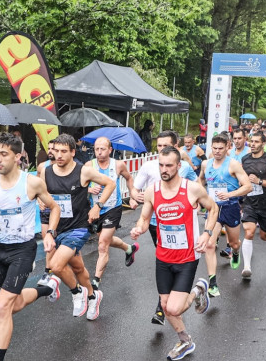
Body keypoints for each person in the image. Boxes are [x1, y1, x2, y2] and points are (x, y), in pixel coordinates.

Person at [0, 133, 59, 361]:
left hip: (23, 250)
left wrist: (50, 233)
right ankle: (47, 289)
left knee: (2, 306)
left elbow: (54, 208)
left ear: (18, 156)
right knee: (15, 303)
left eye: (4, 154)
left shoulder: (31, 183)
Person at [130, 146, 216, 361]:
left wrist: (206, 233)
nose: (164, 169)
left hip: (187, 257)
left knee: (174, 308)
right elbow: (144, 217)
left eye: (169, 165)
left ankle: (198, 289)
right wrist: (139, 227)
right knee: (166, 306)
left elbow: (213, 208)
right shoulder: (152, 191)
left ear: (179, 166)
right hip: (163, 257)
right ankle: (185, 341)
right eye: (161, 165)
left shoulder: (192, 189)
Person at [42, 134, 115, 320]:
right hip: (58, 227)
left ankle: (76, 292)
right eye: (56, 151)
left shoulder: (83, 171)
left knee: (55, 266)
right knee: (79, 268)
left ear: (73, 152)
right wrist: (40, 201)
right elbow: (41, 193)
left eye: (63, 151)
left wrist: (98, 206)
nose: (58, 155)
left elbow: (110, 183)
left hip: (79, 227)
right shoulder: (46, 171)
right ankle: (93, 295)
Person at [131, 130, 199, 325]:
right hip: (155, 224)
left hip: (180, 225)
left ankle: (164, 307)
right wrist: (137, 198)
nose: (161, 149)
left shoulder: (184, 167)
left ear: (175, 146)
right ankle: (166, 302)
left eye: (165, 146)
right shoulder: (149, 166)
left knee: (176, 264)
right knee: (166, 261)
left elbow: (197, 187)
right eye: (159, 146)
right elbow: (135, 188)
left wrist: (196, 204)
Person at [197, 133, 251, 296]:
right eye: (214, 148)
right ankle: (213, 283)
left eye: (221, 148)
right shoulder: (206, 164)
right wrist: (201, 196)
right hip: (213, 209)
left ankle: (235, 252)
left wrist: (230, 194)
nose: (218, 151)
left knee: (234, 243)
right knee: (209, 244)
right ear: (211, 148)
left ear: (228, 147)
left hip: (230, 207)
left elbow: (247, 186)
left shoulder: (233, 164)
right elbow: (200, 180)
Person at [87, 137, 139, 291]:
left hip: (113, 208)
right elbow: (80, 184)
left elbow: (129, 179)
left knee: (103, 244)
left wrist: (132, 195)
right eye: (96, 149)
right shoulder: (89, 166)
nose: (99, 152)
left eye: (102, 149)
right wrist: (89, 190)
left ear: (110, 150)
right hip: (95, 209)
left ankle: (95, 280)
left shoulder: (118, 165)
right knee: (105, 239)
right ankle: (129, 248)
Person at [239, 132, 266, 280]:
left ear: (263, 144)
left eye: (256, 142)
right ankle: (246, 267)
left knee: (264, 237)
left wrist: (260, 182)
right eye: (251, 141)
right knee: (249, 232)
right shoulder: (244, 160)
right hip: (249, 202)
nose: (253, 144)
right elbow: (239, 178)